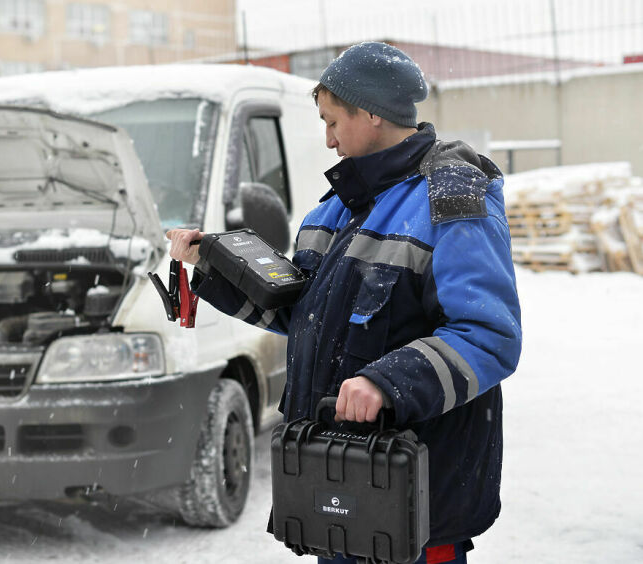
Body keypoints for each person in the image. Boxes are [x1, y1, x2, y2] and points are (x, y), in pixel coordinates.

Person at [168, 42, 522, 564]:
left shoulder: (450, 196)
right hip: (336, 486)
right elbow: (298, 312)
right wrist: (213, 265)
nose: (327, 139)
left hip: (412, 502)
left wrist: (388, 381)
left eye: (333, 121)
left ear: (374, 113)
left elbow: (488, 335)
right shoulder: (335, 207)